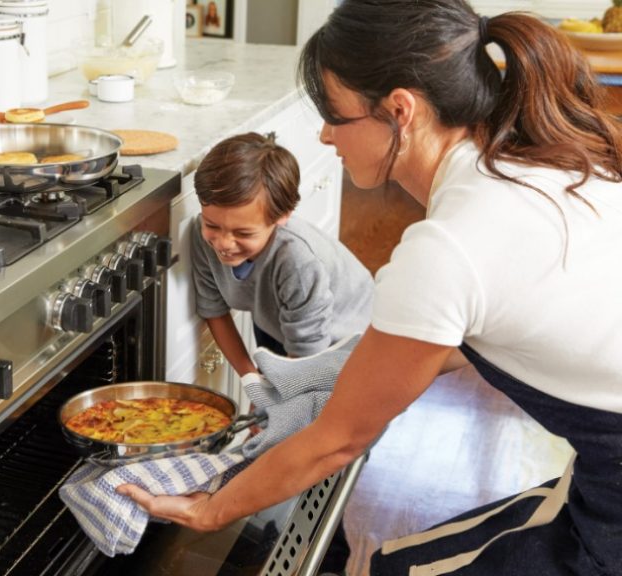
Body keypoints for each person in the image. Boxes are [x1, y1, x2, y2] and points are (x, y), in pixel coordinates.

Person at [118, 1, 622, 575]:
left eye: (335, 115)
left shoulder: (449, 245)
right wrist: (339, 369)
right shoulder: (533, 161)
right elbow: (477, 336)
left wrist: (209, 512)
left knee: (396, 568)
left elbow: (338, 439)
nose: (327, 136)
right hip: (600, 476)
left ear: (400, 110)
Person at [190, 132, 374, 573]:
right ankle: (270, 528)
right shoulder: (202, 237)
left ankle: (329, 560)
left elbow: (306, 370)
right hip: (281, 327)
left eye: (243, 233)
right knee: (276, 436)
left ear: (283, 218)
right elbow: (215, 311)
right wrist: (254, 383)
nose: (223, 243)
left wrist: (280, 414)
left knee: (320, 458)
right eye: (213, 225)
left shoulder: (298, 261)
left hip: (342, 348)